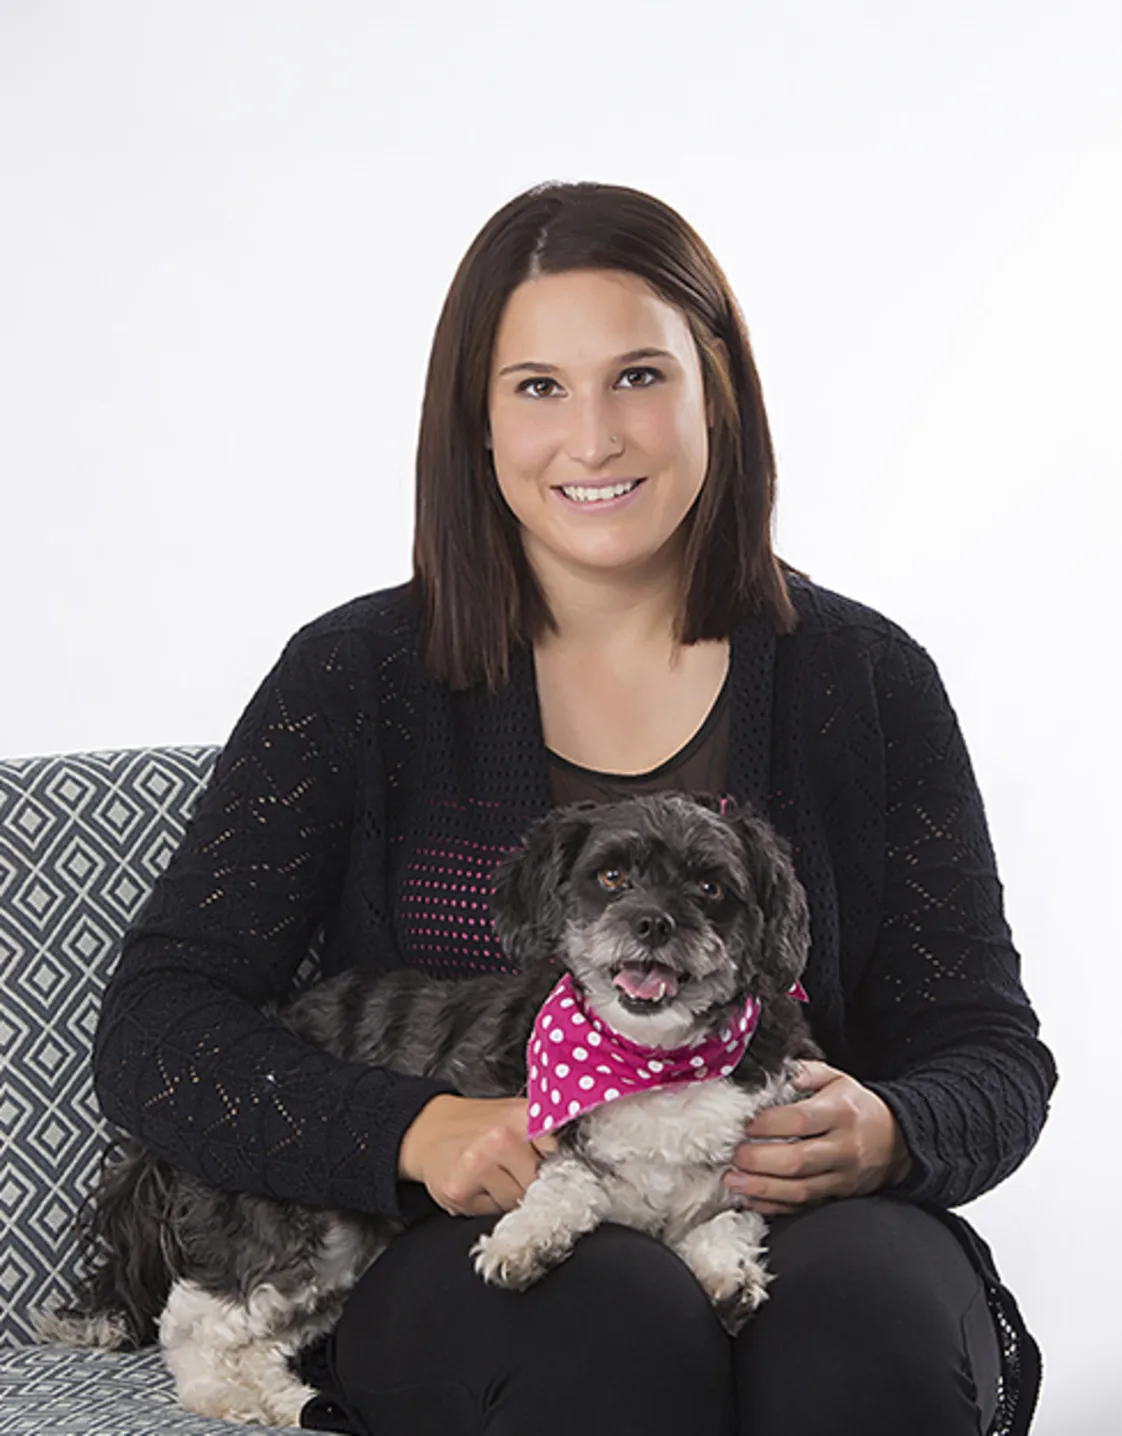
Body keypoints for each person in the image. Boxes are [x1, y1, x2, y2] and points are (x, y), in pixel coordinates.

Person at [92, 180, 1057, 1436]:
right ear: (477, 422)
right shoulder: (352, 678)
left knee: (863, 1342)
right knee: (605, 1331)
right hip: (465, 1236)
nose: (593, 437)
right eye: (539, 386)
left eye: (639, 376)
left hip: (790, 1206)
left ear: (718, 391)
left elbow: (990, 1047)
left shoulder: (866, 682)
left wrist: (894, 1127)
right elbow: (159, 1028)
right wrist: (411, 1128)